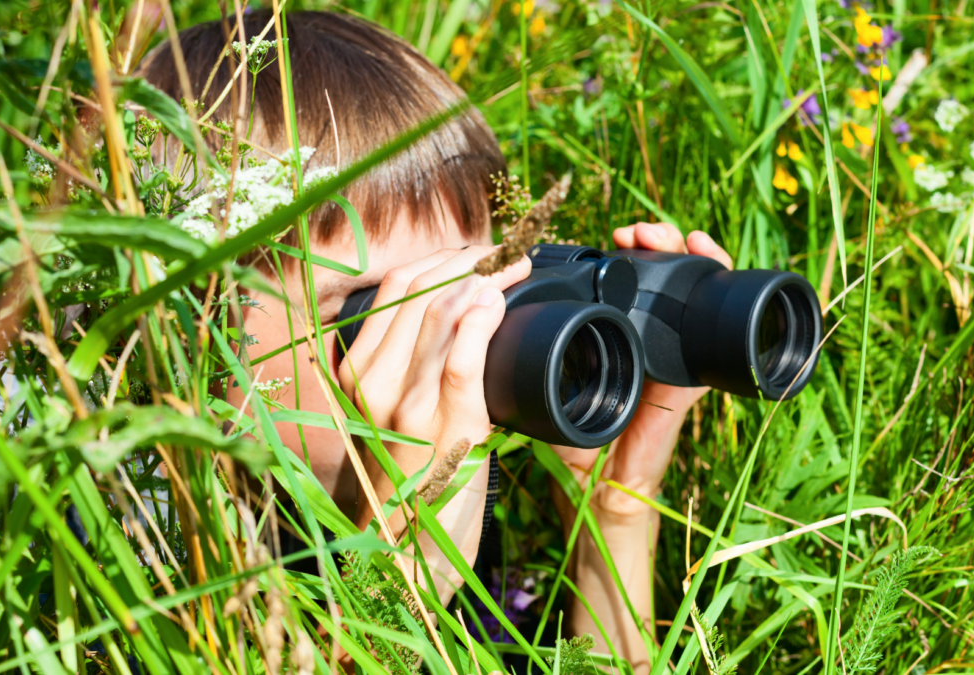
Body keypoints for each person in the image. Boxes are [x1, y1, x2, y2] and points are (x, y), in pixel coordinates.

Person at [139, 10, 732, 673]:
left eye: (474, 299)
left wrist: (611, 518)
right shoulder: (102, 576)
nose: (451, 356)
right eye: (368, 309)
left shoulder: (491, 541)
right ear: (179, 332)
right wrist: (398, 596)